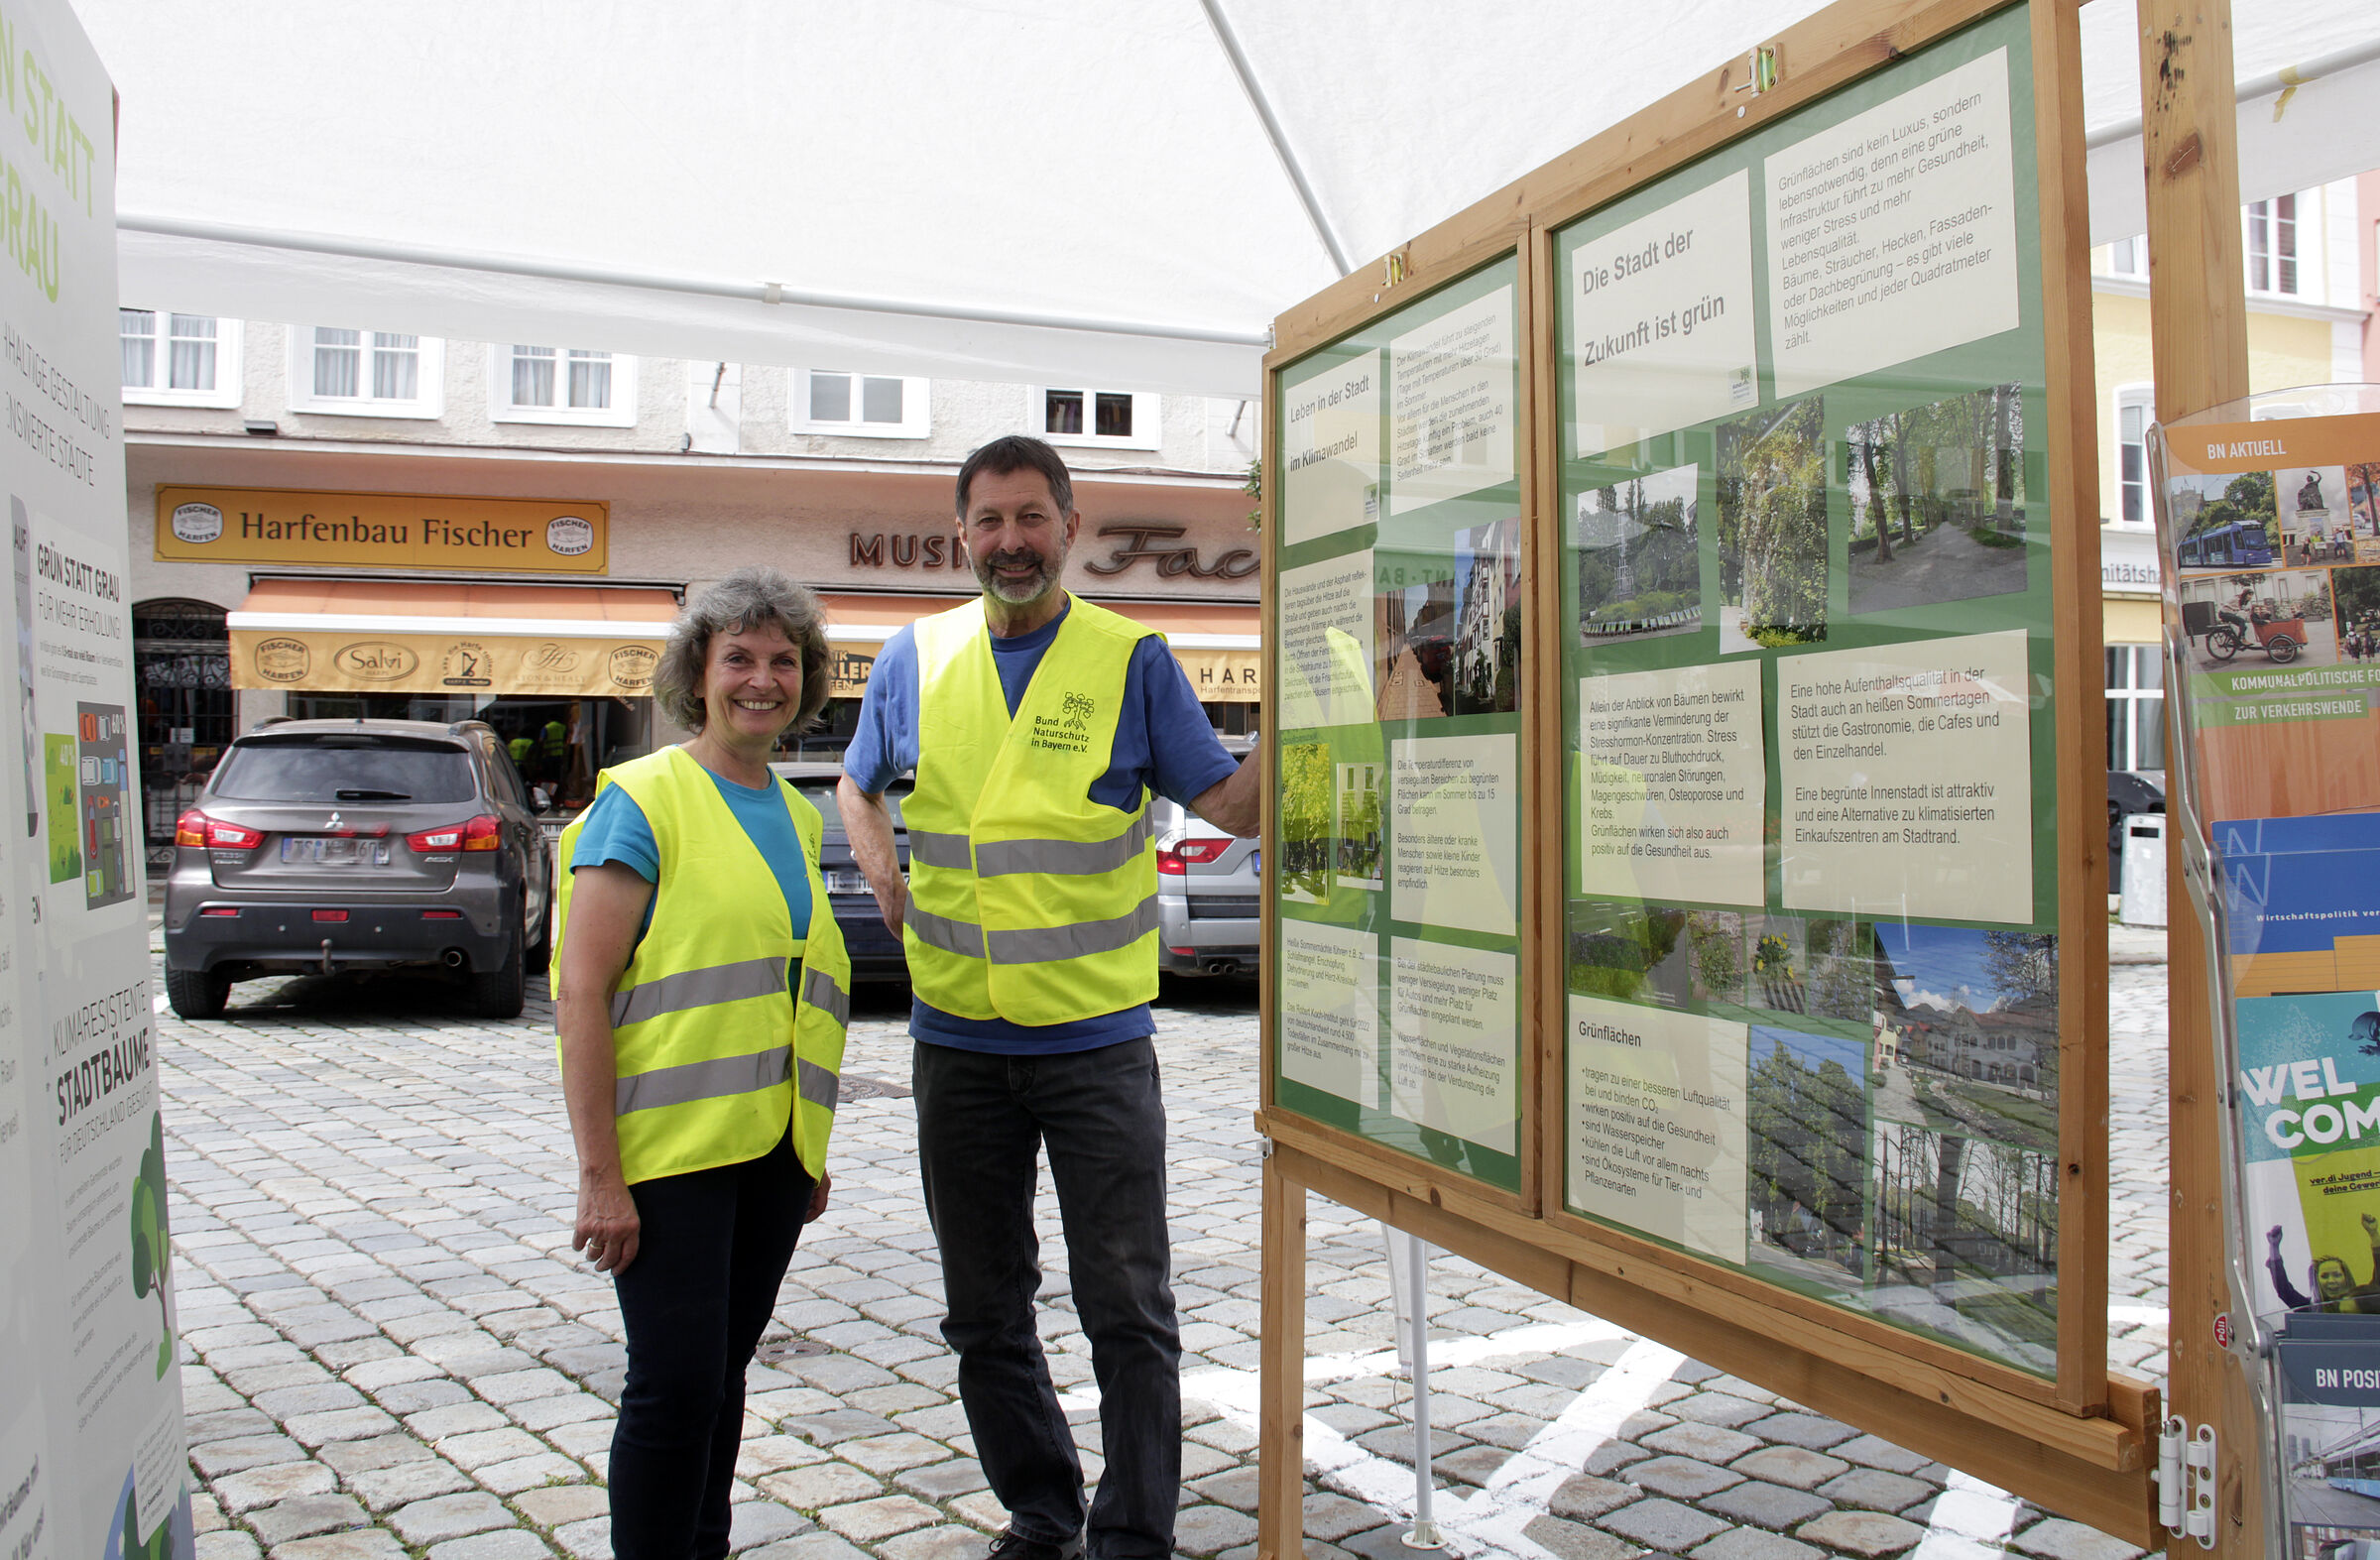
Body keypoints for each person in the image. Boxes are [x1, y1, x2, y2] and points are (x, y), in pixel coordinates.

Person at [839, 436, 1259, 1560]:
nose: (1011, 541)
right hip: (956, 1045)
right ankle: (1040, 1510)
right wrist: (874, 852)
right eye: (990, 521)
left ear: (1071, 527)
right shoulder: (912, 658)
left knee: (1126, 1309)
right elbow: (854, 774)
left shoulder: (1131, 659)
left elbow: (1237, 806)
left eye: (1032, 518)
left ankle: (1133, 1535)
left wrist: (1314, 706)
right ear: (960, 534)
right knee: (983, 1310)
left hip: (1096, 1048)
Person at [554, 567, 851, 1560]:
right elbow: (579, 992)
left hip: (769, 1155)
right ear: (698, 672)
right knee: (674, 1384)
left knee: (720, 1375)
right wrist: (601, 1176)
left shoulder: (797, 815)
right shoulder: (642, 799)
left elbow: (791, 989)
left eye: (783, 661)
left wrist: (807, 1146)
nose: (762, 679)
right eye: (739, 658)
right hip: (667, 1157)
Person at [2266, 1215, 2380, 1314]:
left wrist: (2373, 1233)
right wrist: (2274, 1247)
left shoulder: (2364, 1301)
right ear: (2317, 1280)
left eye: (2337, 1275)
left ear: (2346, 1277)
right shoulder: (2312, 1309)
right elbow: (2284, 1291)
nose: (2331, 1280)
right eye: (2324, 1276)